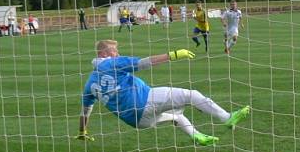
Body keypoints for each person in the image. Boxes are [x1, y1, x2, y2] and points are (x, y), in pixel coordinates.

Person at [77, 39, 250, 145]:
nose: (118, 53)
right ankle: (227, 118)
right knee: (191, 95)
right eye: (115, 51)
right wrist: (173, 55)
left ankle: (197, 137)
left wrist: (82, 132)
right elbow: (144, 63)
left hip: (137, 122)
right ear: (104, 53)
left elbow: (86, 110)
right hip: (144, 101)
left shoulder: (90, 83)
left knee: (177, 116)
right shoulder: (111, 63)